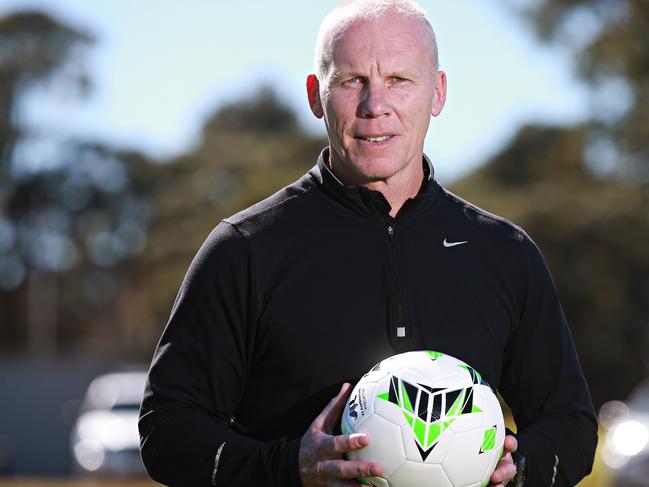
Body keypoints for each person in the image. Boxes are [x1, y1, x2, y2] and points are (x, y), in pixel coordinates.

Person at [139, 1, 598, 486]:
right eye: (351, 81)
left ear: (438, 92)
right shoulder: (244, 249)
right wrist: (290, 467)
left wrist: (517, 469)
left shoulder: (505, 252)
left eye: (399, 80)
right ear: (316, 96)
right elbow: (166, 431)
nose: (375, 105)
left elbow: (571, 426)